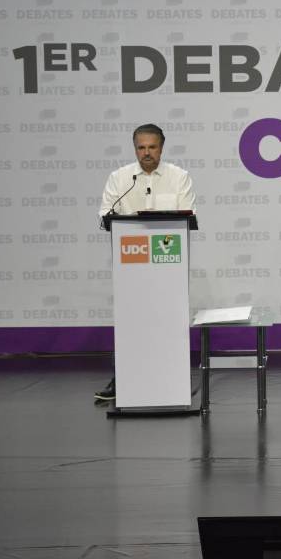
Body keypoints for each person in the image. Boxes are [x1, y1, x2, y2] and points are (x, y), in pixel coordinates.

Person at [94, 123, 197, 402]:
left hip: (168, 265)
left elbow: (188, 216)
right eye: (141, 147)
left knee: (168, 321)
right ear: (135, 148)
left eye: (152, 147)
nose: (147, 153)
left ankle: (174, 379)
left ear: (161, 148)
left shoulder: (179, 177)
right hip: (131, 265)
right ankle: (123, 379)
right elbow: (105, 214)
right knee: (131, 321)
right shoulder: (120, 178)